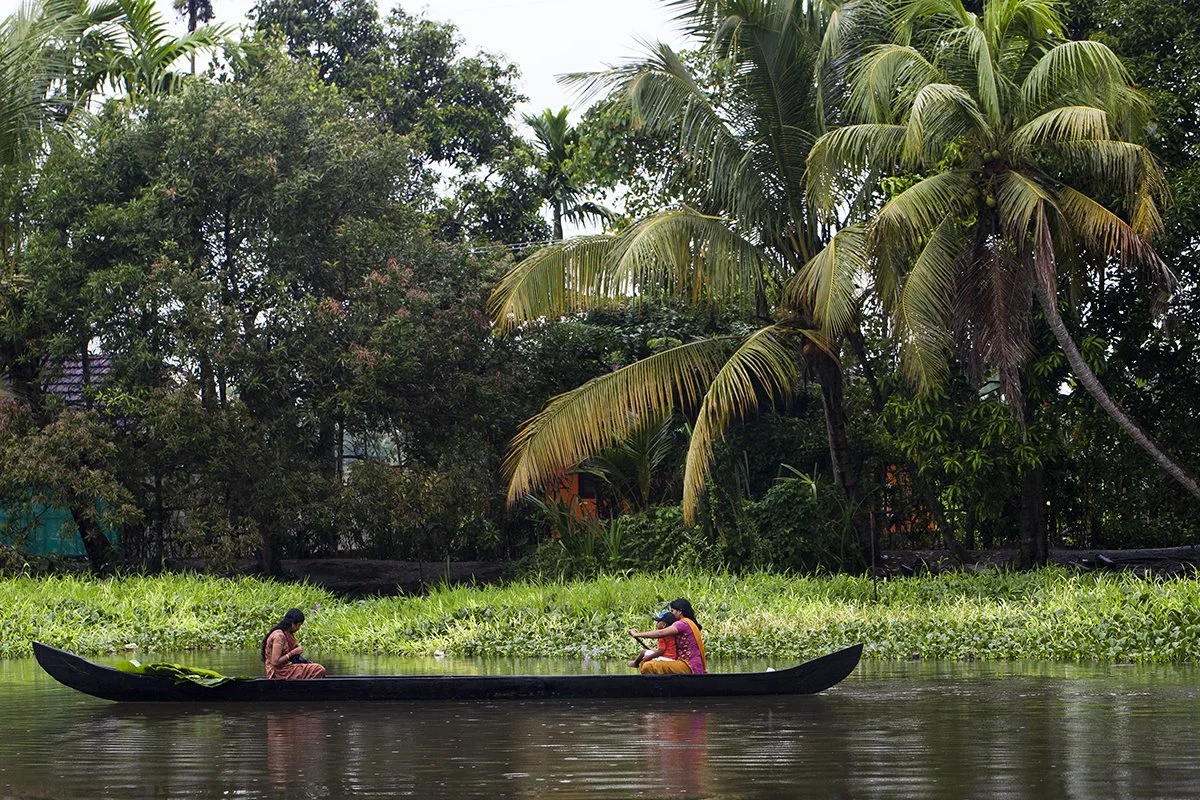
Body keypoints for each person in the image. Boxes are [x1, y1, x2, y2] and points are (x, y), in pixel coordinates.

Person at [628, 597, 706, 675]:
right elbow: (666, 650)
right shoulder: (686, 622)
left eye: (672, 611)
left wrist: (636, 634)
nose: (671, 613)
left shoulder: (682, 623)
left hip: (689, 665)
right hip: (683, 662)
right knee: (644, 662)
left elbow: (660, 633)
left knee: (648, 666)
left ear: (679, 611)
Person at [261, 608, 326, 679]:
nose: (299, 628)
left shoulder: (287, 634)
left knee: (314, 666)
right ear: (292, 624)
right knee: (318, 669)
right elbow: (275, 661)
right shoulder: (279, 636)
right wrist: (293, 652)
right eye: (299, 625)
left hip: (287, 668)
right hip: (280, 672)